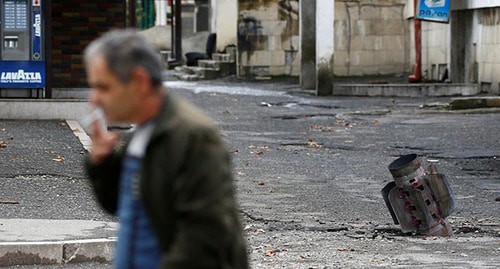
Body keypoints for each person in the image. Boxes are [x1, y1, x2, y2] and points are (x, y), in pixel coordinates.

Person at [83, 29, 248, 269]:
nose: (94, 99)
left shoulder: (192, 136)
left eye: (103, 87)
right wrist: (101, 163)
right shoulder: (141, 134)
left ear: (139, 81)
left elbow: (204, 238)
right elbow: (120, 205)